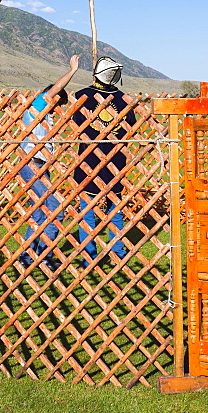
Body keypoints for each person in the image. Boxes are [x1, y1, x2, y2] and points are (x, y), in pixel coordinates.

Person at [17, 55, 80, 271]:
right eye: (59, 103)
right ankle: (45, 254)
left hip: (37, 164)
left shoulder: (45, 114)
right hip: (31, 163)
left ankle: (27, 256)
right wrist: (72, 71)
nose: (58, 108)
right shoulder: (40, 102)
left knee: (39, 211)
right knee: (55, 208)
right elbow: (56, 88)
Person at [72, 56, 137, 266]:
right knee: (114, 209)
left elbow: (76, 122)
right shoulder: (123, 99)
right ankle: (117, 251)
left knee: (88, 211)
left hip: (89, 160)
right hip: (114, 160)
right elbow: (130, 128)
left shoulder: (82, 96)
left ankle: (89, 255)